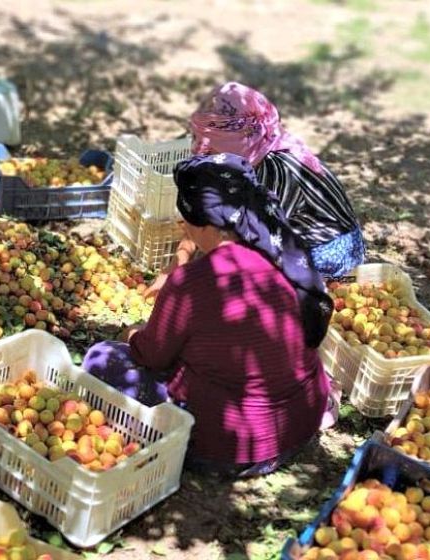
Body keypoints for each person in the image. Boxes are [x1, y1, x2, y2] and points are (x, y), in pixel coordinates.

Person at [83, 153, 334, 477]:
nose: (182, 225)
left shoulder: (192, 283)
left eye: (185, 219)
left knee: (101, 358)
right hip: (300, 426)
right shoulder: (281, 253)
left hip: (231, 449)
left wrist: (132, 332)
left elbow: (151, 355)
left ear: (204, 224)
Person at [147, 82, 365, 296]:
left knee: (252, 287)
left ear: (236, 142)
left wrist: (196, 279)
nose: (203, 151)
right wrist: (179, 260)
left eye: (212, 146)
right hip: (289, 233)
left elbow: (262, 242)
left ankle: (331, 284)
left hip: (327, 251)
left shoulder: (278, 171)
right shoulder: (250, 154)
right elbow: (205, 212)